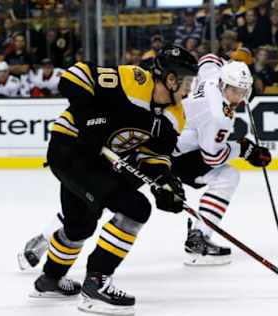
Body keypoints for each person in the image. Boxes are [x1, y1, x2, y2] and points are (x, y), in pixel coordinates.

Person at [25, 45, 198, 315]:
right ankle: (96, 284)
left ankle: (50, 280)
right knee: (136, 208)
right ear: (171, 79)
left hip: (99, 162)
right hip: (70, 148)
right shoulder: (133, 81)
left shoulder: (176, 117)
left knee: (79, 226)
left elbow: (154, 156)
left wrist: (164, 183)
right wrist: (86, 119)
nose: (190, 89)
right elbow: (76, 74)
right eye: (187, 81)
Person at [172, 54, 271, 265]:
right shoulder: (220, 117)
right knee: (227, 175)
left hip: (170, 139)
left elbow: (208, 59)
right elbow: (212, 157)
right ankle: (198, 239)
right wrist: (244, 149)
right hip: (173, 155)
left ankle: (199, 233)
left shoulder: (212, 76)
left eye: (243, 91)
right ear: (224, 85)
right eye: (234, 91)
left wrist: (229, 61)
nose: (238, 97)